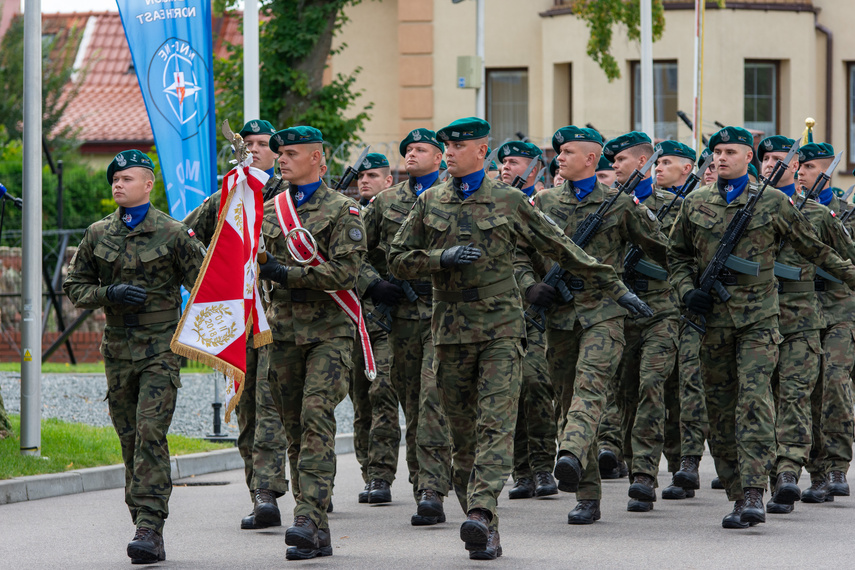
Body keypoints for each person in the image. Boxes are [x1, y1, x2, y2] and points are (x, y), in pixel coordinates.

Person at [389, 117, 652, 559]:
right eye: (445, 146)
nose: (449, 152)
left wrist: (617, 288)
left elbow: (563, 248)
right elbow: (398, 258)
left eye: (459, 146)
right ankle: (482, 519)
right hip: (450, 330)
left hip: (500, 331)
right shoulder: (430, 201)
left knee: (496, 426)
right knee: (463, 440)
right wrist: (441, 258)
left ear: (481, 150)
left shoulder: (511, 201)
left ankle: (480, 515)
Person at [668, 126, 855, 529]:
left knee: (754, 400)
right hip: (712, 318)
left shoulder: (772, 203)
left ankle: (755, 492)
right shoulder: (695, 202)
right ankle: (738, 494)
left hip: (759, 319)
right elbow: (677, 256)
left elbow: (814, 248)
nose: (721, 158)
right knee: (719, 411)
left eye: (730, 152)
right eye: (716, 151)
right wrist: (687, 291)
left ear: (747, 158)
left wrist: (852, 274)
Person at [520, 126, 667, 525]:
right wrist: (530, 286)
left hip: (604, 311)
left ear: (590, 159)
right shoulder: (543, 201)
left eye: (567, 152)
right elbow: (518, 254)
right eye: (558, 152)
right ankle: (587, 494)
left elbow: (664, 251)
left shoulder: (620, 204)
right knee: (566, 399)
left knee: (591, 385)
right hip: (560, 315)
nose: (559, 158)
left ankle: (567, 452)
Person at [64, 150, 204, 564]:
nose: (118, 184)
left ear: (148, 184)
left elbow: (205, 289)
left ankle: (150, 525)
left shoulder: (175, 233)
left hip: (160, 348)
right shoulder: (97, 234)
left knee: (149, 432)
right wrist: (110, 294)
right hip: (118, 349)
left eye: (127, 178)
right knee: (129, 440)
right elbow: (75, 288)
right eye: (115, 179)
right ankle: (140, 517)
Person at [259, 126, 367, 560]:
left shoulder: (344, 211)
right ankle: (316, 521)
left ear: (318, 159)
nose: (282, 160)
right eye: (280, 153)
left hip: (329, 331)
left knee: (315, 415)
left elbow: (345, 273)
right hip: (282, 331)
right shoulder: (268, 212)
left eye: (291, 153)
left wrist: (287, 274)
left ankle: (305, 517)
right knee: (293, 427)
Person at [184, 119, 290, 531]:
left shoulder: (289, 199)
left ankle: (293, 489)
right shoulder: (228, 197)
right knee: (249, 411)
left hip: (283, 321)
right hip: (241, 323)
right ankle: (260, 494)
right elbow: (186, 237)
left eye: (264, 144)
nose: (255, 150)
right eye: (247, 144)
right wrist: (215, 281)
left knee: (276, 411)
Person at [360, 128, 452, 526]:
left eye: (420, 149)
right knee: (407, 403)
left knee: (433, 400)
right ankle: (416, 483)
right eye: (408, 150)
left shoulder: (456, 196)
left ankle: (432, 489)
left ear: (440, 157)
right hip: (398, 319)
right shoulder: (384, 203)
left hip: (445, 316)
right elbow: (353, 252)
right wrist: (373, 284)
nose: (411, 155)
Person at [599, 132, 678, 513]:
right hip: (618, 311)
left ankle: (645, 475)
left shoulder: (674, 206)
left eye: (620, 161)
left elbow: (681, 257)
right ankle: (622, 456)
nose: (613, 167)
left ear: (643, 163)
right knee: (622, 392)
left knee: (651, 384)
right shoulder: (606, 207)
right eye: (611, 162)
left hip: (660, 309)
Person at [497, 141, 559, 500]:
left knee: (536, 386)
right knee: (511, 393)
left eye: (514, 162)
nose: (506, 167)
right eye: (502, 161)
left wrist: (535, 286)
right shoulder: (492, 203)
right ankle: (521, 471)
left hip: (537, 313)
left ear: (534, 169)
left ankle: (541, 466)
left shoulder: (541, 207)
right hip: (500, 312)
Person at [650, 140, 709, 501]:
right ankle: (674, 466)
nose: (658, 168)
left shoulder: (699, 207)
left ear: (688, 168)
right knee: (664, 389)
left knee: (690, 387)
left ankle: (688, 461)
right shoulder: (646, 206)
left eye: (667, 162)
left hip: (690, 311)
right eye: (657, 162)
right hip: (658, 309)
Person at [798, 142, 855, 504]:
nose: (800, 173)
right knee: (808, 390)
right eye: (798, 168)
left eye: (808, 168)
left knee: (834, 382)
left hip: (838, 309)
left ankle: (837, 466)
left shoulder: (846, 214)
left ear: (825, 172)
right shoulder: (789, 210)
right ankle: (816, 472)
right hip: (800, 309)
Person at [349, 153, 400, 505]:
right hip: (355, 319)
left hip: (389, 319)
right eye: (361, 176)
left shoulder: (396, 212)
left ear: (388, 181)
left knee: (383, 392)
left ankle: (382, 475)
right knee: (361, 400)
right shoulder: (348, 215)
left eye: (372, 176)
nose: (364, 181)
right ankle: (369, 471)